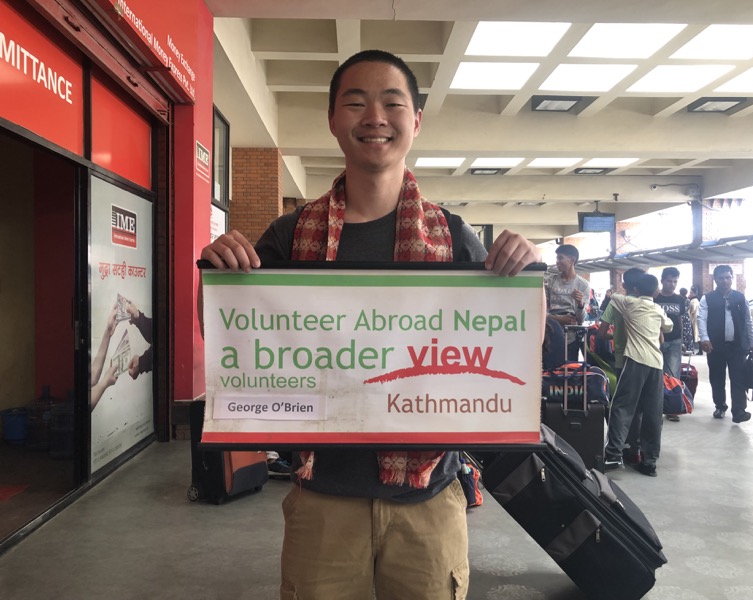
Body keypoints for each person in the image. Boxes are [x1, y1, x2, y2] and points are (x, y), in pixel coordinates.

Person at [199, 50, 543, 600]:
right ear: (334, 119)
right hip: (322, 503)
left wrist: (527, 281)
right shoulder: (289, 237)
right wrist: (216, 277)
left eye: (392, 102)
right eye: (355, 102)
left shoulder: (453, 237)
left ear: (416, 122)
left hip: (429, 500)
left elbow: (510, 353)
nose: (374, 116)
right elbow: (233, 343)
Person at [603, 273, 672, 477]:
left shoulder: (629, 304)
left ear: (634, 290)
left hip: (634, 360)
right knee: (652, 412)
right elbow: (669, 326)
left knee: (622, 407)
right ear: (657, 291)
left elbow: (612, 295)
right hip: (656, 364)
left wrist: (613, 293)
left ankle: (613, 454)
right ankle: (650, 462)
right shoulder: (658, 309)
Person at [697, 265, 753, 423]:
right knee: (717, 378)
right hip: (715, 346)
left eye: (728, 277)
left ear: (732, 278)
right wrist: (704, 338)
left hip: (737, 346)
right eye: (721, 278)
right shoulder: (707, 298)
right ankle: (720, 406)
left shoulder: (740, 297)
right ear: (715, 279)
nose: (725, 280)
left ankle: (739, 411)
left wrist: (752, 341)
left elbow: (748, 321)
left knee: (739, 378)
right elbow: (701, 319)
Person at [598, 268, 645, 464]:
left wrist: (616, 337)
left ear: (625, 285)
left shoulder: (616, 303)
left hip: (622, 360)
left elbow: (601, 333)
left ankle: (618, 447)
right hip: (645, 361)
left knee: (622, 405)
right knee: (641, 406)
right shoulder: (648, 304)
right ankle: (637, 447)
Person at [545, 244, 591, 360]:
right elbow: (540, 311)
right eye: (557, 258)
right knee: (550, 372)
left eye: (560, 258)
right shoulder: (550, 281)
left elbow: (580, 320)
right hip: (549, 335)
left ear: (572, 260)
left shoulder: (583, 285)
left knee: (569, 372)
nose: (557, 262)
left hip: (570, 339)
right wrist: (558, 319)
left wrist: (580, 304)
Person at [655, 267, 687, 422]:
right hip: (655, 341)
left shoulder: (680, 299)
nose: (672, 284)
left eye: (675, 281)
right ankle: (656, 406)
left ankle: (672, 408)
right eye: (669, 281)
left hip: (674, 341)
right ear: (662, 281)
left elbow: (681, 322)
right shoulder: (655, 298)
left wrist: (682, 341)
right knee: (656, 374)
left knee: (673, 374)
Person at [688, 286, 701, 355]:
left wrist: (689, 315)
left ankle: (696, 349)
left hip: (693, 319)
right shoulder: (697, 300)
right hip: (696, 318)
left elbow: (692, 310)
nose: (689, 294)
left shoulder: (693, 301)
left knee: (695, 334)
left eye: (691, 293)